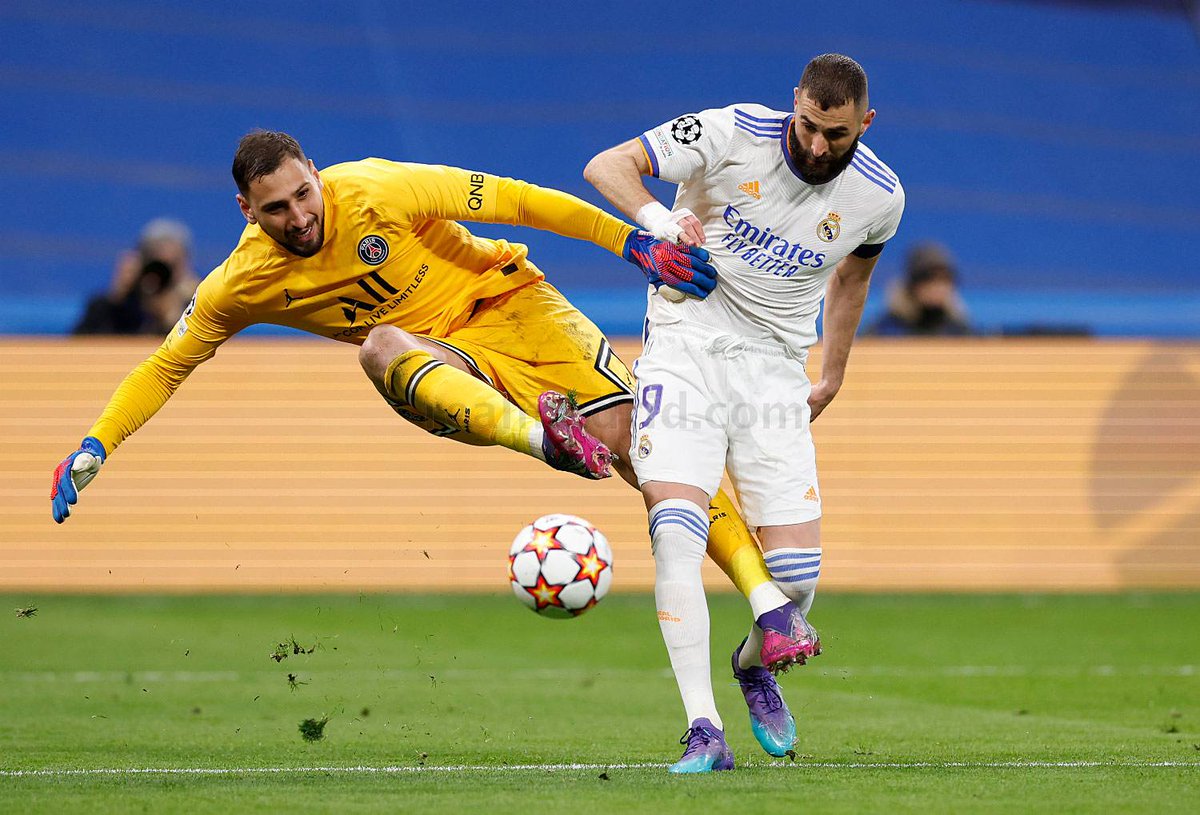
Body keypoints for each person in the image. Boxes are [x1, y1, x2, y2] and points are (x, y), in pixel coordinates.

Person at [49, 131, 815, 746]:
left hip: (516, 305)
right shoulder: (240, 282)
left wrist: (630, 242)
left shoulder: (378, 187)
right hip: (440, 365)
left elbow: (518, 201)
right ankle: (543, 440)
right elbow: (166, 365)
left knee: (650, 457)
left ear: (315, 173)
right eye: (276, 208)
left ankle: (768, 610)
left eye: (304, 193)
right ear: (247, 210)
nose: (299, 216)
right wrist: (96, 443)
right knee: (379, 344)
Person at [585, 53, 905, 772]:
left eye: (837, 134)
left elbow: (854, 280)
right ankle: (703, 728)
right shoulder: (731, 132)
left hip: (773, 373)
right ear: (795, 102)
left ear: (866, 123)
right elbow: (607, 165)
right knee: (676, 529)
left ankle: (752, 665)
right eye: (809, 125)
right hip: (685, 346)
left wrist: (833, 372)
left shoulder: (880, 195)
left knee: (796, 578)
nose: (817, 145)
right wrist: (661, 218)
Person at [73, 218, 201, 335]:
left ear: (186, 265)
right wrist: (115, 302)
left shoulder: (194, 307)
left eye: (172, 264)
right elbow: (77, 344)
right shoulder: (113, 305)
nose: (161, 273)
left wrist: (174, 317)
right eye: (155, 263)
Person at [868, 241, 972, 336]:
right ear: (912, 285)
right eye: (929, 279)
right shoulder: (884, 330)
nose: (938, 287)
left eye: (945, 280)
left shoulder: (960, 331)